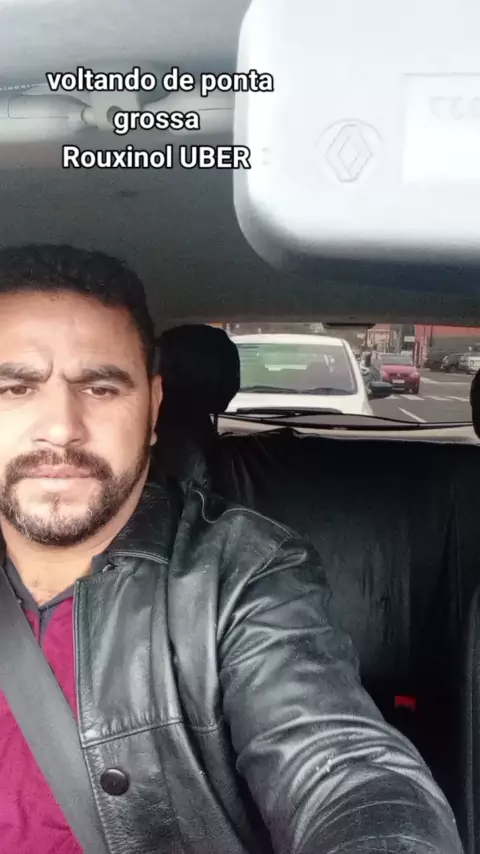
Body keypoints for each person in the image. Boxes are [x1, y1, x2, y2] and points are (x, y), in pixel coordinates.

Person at [0, 243, 463, 854]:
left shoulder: (239, 574)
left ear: (153, 409)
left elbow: (345, 772)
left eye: (102, 388)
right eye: (15, 388)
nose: (61, 428)